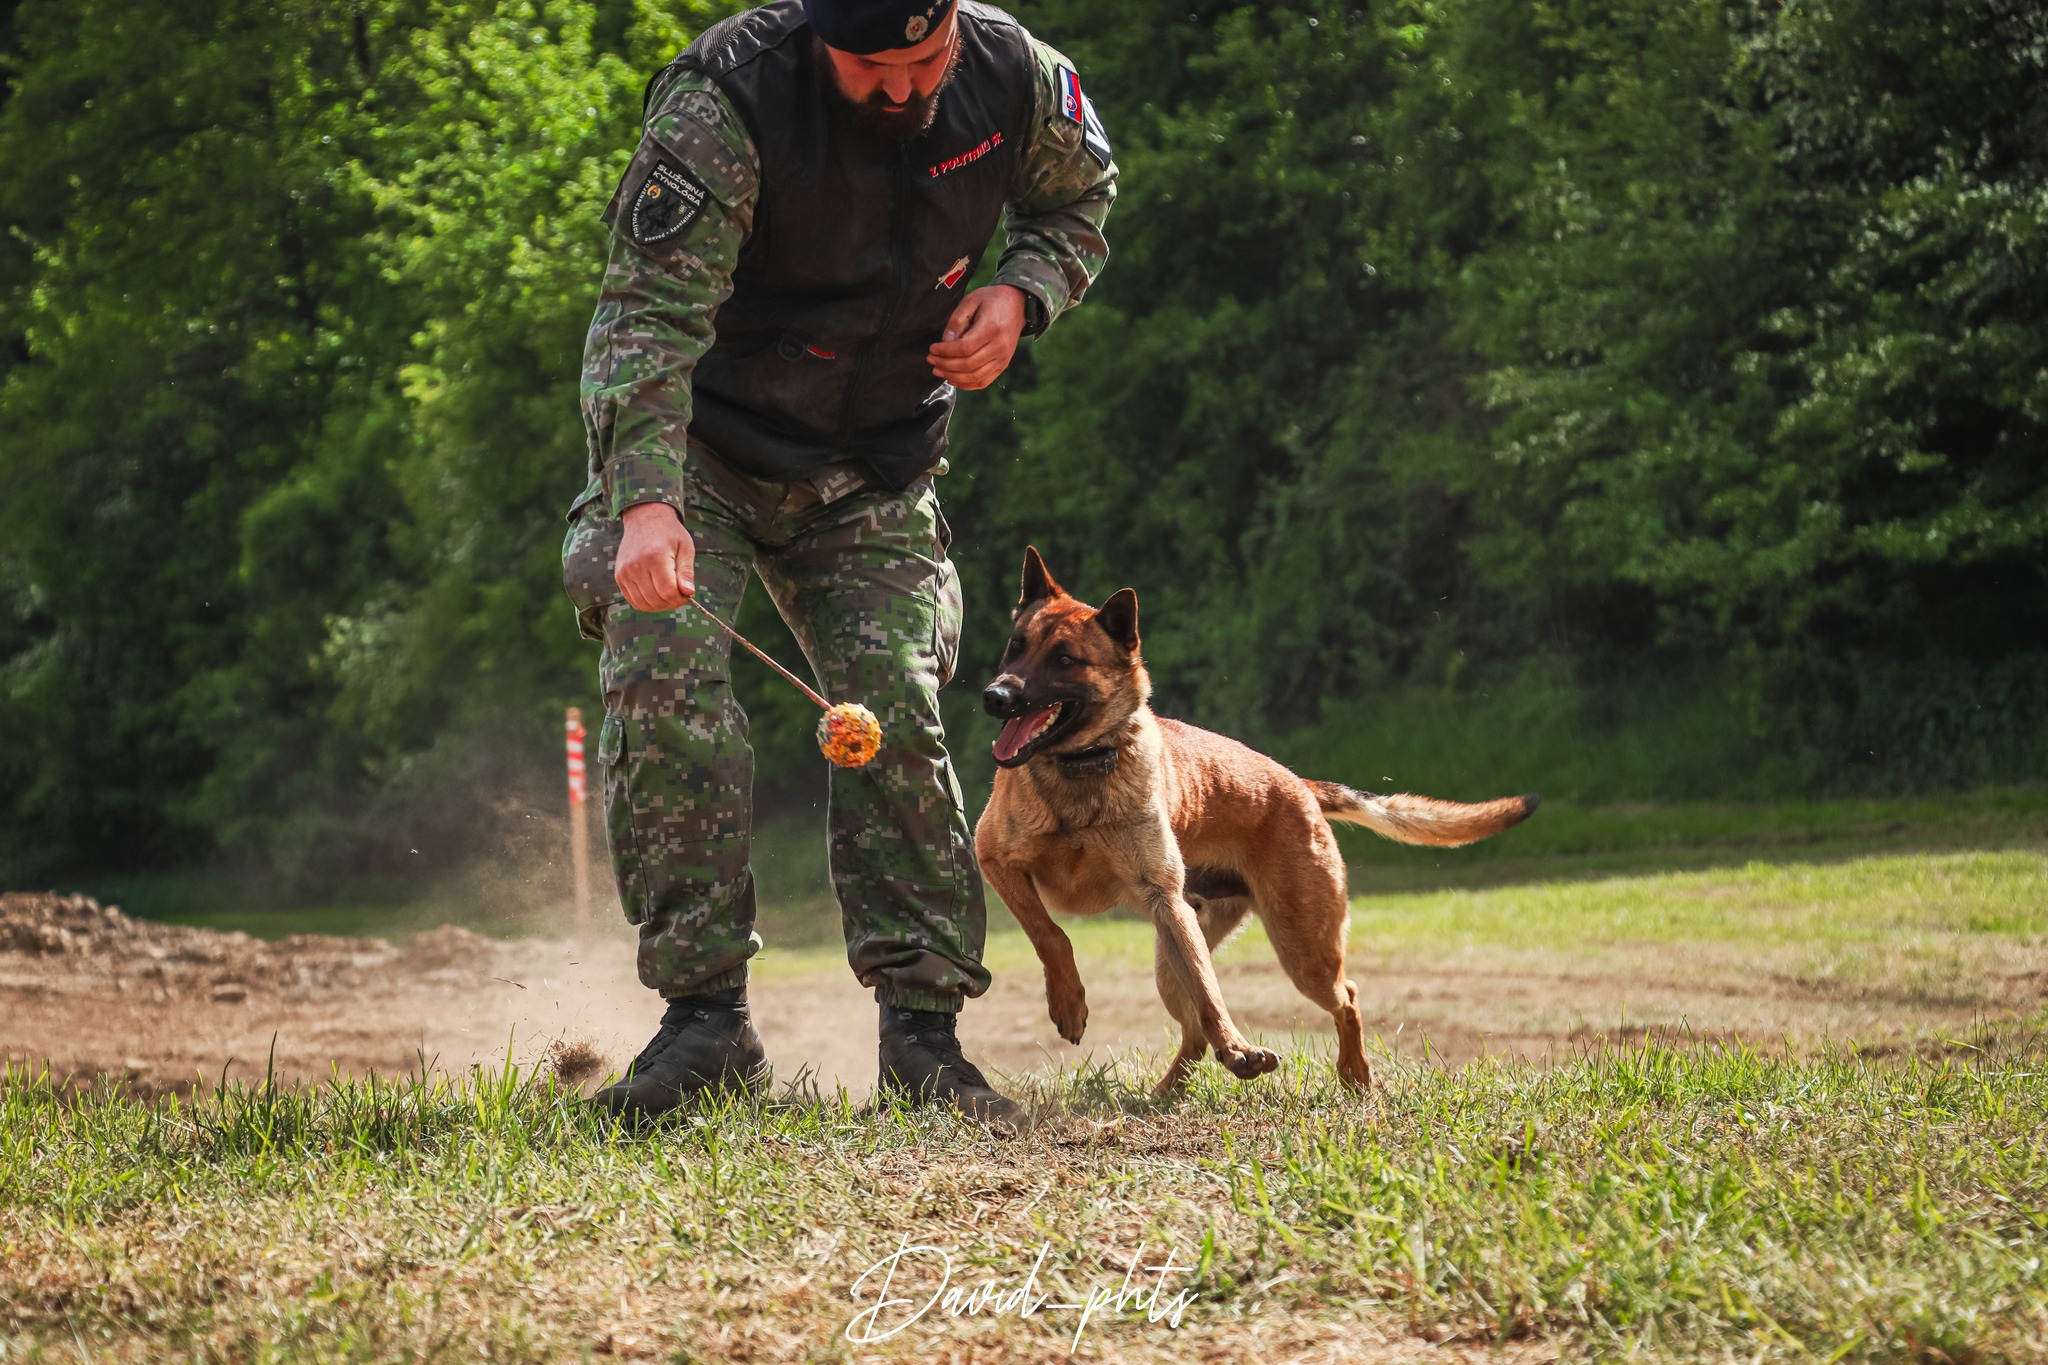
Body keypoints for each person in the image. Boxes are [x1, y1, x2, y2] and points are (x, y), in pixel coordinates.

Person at [560, 0, 1115, 1126]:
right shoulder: (728, 100)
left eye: (924, 60)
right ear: (820, 37)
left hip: (873, 468)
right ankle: (704, 1022)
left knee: (895, 711)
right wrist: (647, 505)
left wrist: (1023, 293)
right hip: (703, 461)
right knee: (665, 682)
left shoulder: (1011, 75)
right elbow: (643, 321)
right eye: (872, 69)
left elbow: (1081, 201)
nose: (903, 89)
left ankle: (923, 1041)